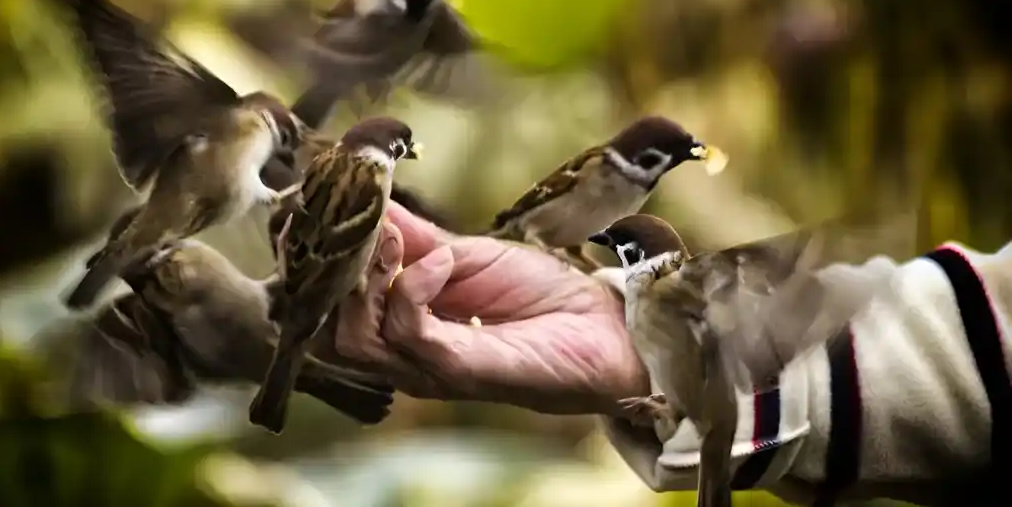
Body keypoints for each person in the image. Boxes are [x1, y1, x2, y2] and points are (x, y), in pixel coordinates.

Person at [332, 202, 1011, 507]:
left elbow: (766, 294)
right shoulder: (651, 295)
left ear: (637, 258)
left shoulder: (680, 284)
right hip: (711, 403)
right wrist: (625, 351)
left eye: (618, 250)